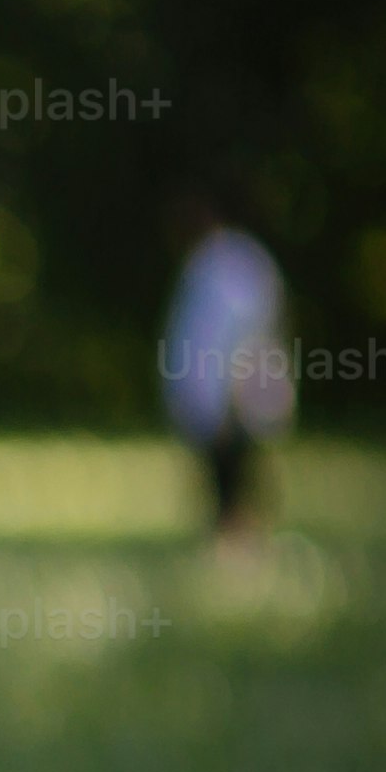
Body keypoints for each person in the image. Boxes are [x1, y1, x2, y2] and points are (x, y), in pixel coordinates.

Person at [161, 193, 290, 547]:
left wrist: (233, 394)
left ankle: (240, 548)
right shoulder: (220, 265)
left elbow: (240, 336)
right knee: (224, 481)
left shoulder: (226, 267)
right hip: (226, 396)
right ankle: (234, 548)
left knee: (236, 480)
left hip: (236, 396)